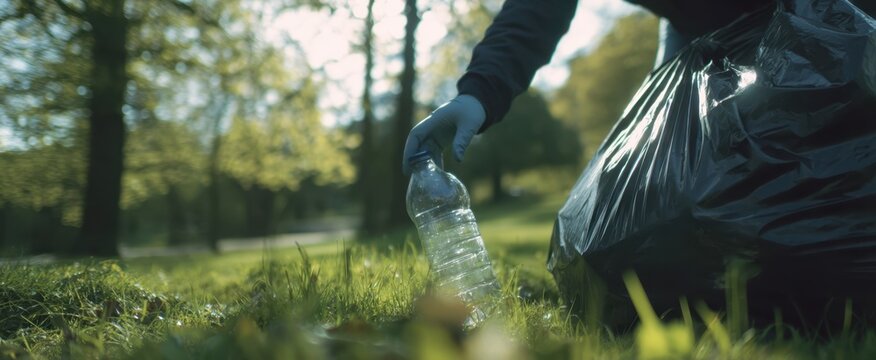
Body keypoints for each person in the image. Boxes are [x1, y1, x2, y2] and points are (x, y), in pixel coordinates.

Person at [402, 0, 771, 174]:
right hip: (694, 23)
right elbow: (534, 12)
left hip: (808, 13)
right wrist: (478, 94)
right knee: (665, 165)